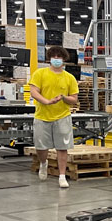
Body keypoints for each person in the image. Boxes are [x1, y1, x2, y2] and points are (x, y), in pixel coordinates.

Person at [29, 46, 79, 189]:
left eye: (59, 57)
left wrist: (64, 98)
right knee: (41, 146)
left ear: (64, 60)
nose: (56, 59)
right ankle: (43, 163)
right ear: (49, 59)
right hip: (42, 116)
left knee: (62, 147)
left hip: (62, 116)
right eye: (54, 57)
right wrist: (47, 101)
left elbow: (74, 98)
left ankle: (62, 176)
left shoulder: (69, 78)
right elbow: (34, 92)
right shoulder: (40, 73)